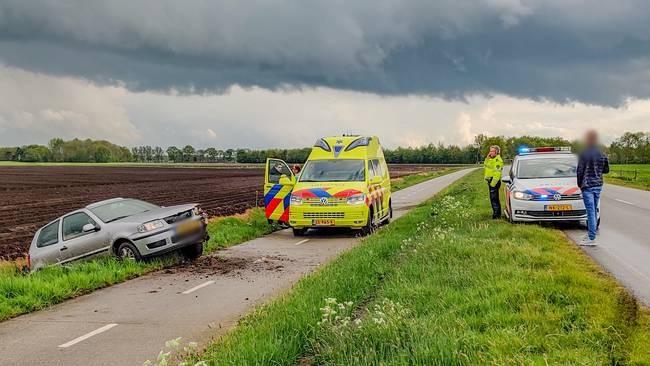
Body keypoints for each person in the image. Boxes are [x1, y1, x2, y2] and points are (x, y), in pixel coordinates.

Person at [577, 130, 609, 246]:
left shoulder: (584, 154)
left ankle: (591, 238)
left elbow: (580, 171)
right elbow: (606, 170)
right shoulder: (602, 154)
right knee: (594, 210)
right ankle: (592, 234)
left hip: (587, 185)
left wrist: (579, 184)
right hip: (598, 184)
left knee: (590, 211)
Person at [484, 145, 504, 219]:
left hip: (494, 182)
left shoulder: (497, 160)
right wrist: (487, 158)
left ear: (497, 152)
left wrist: (493, 184)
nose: (490, 152)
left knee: (494, 199)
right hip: (491, 181)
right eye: (490, 151)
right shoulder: (492, 159)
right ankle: (496, 214)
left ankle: (496, 216)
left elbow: (497, 173)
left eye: (492, 151)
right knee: (493, 199)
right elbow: (486, 165)